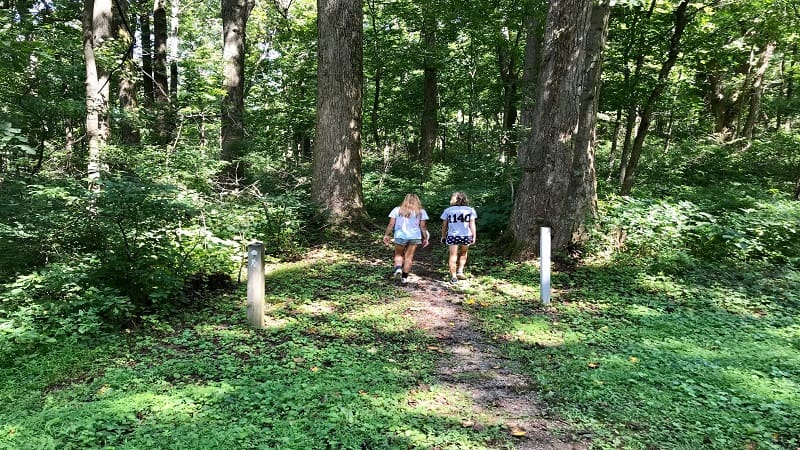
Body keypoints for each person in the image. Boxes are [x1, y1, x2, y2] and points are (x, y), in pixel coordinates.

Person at [382, 193, 430, 284]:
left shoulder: (397, 210)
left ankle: (398, 268)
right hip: (414, 236)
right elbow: (423, 226)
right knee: (409, 257)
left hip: (400, 235)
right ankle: (404, 278)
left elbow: (391, 224)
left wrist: (386, 235)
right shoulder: (421, 211)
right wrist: (425, 237)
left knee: (398, 254)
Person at [440, 192, 477, 284]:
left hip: (453, 236)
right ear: (465, 199)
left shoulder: (448, 210)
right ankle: (460, 271)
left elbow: (444, 225)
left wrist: (443, 236)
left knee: (453, 255)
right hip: (466, 235)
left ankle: (453, 277)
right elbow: (472, 224)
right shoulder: (470, 210)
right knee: (464, 253)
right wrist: (474, 236)